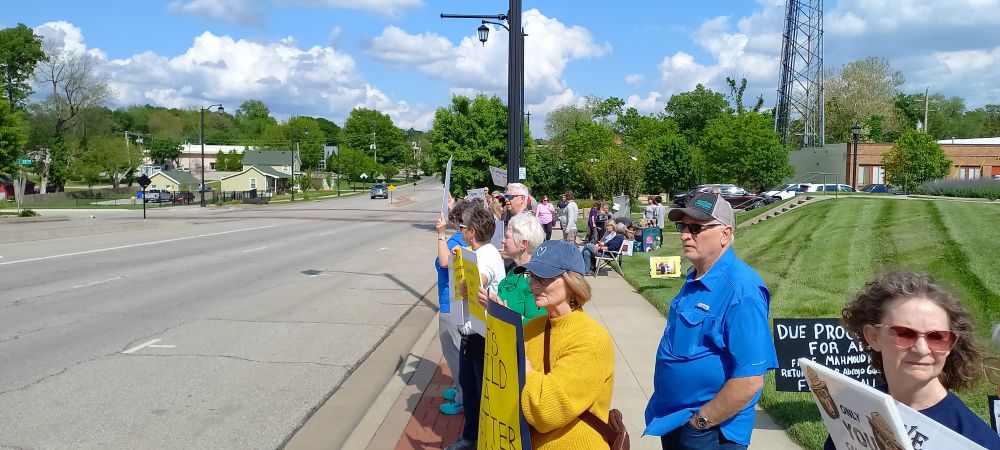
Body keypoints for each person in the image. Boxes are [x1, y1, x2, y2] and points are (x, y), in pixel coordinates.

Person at [645, 192, 778, 450]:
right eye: (682, 226)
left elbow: (750, 379)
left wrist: (700, 423)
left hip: (711, 433)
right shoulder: (697, 277)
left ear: (725, 234)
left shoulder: (742, 289)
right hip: (676, 422)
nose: (685, 235)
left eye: (695, 228)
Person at [823, 271, 1000, 450]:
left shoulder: (977, 442)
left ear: (950, 344)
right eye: (904, 334)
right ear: (874, 337)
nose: (922, 349)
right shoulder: (854, 410)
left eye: (937, 337)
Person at [516, 240, 615, 448]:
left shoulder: (592, 339)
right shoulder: (530, 328)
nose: (533, 285)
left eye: (544, 278)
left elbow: (545, 410)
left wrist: (521, 361)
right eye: (532, 276)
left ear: (571, 282)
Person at [444, 205, 507, 450]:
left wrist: (469, 285)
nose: (460, 231)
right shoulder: (476, 251)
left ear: (471, 231)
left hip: (482, 337)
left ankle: (481, 440)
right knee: (469, 388)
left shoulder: (488, 255)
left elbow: (480, 277)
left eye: (463, 227)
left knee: (482, 393)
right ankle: (471, 437)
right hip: (470, 335)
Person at [434, 199, 472, 415]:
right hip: (459, 302)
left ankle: (463, 398)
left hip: (451, 302)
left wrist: (440, 234)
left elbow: (444, 262)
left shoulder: (456, 239)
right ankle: (460, 388)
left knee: (455, 353)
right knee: (459, 352)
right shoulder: (465, 238)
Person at [476, 213, 547, 323]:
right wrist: (489, 302)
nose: (502, 240)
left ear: (523, 244)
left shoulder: (536, 281)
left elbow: (537, 327)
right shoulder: (513, 272)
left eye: (507, 237)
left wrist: (506, 314)